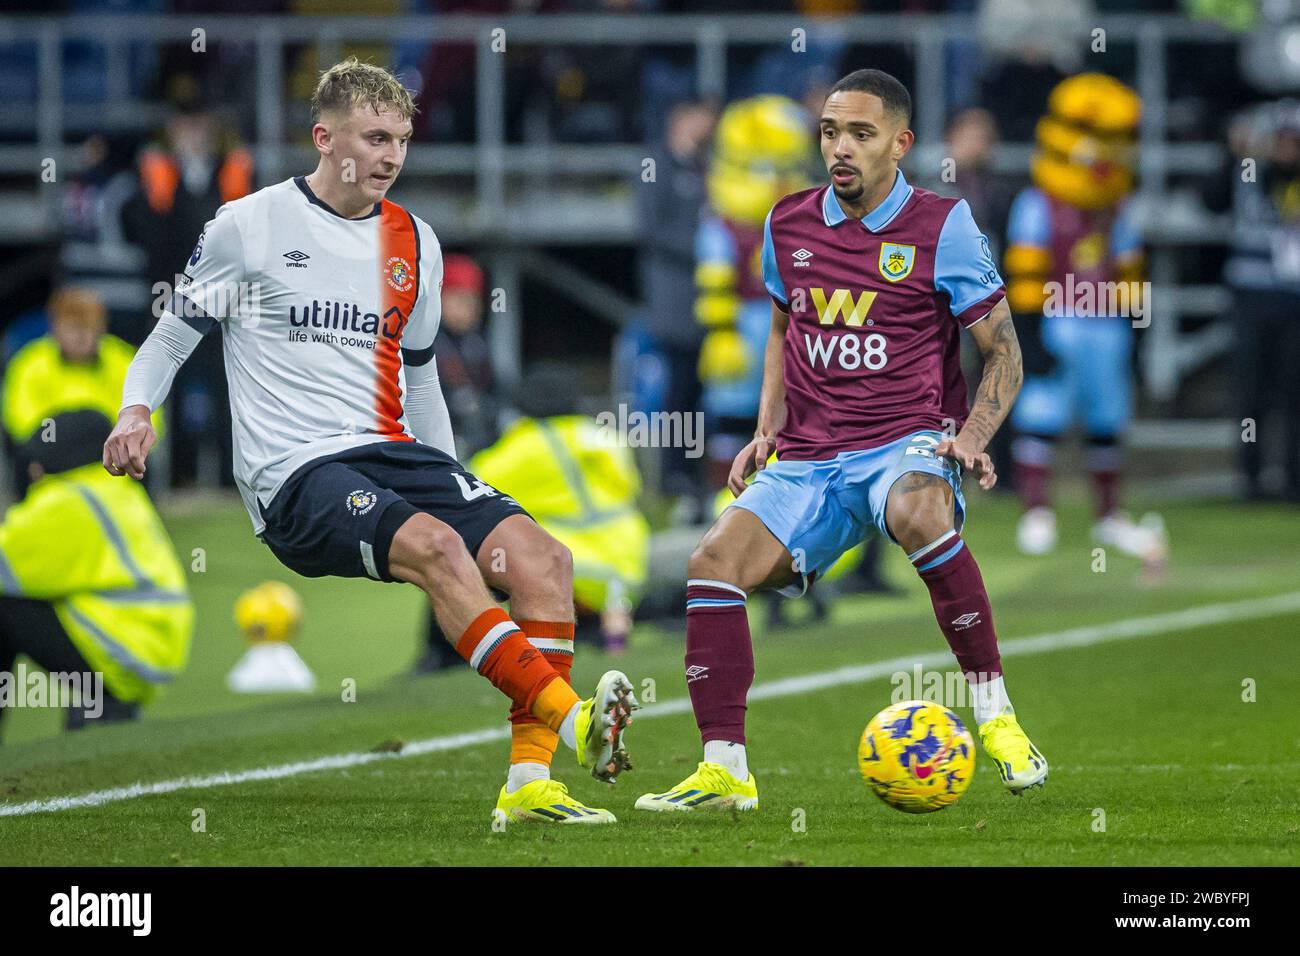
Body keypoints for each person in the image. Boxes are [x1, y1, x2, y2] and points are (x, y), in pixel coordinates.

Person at [104, 58, 638, 825]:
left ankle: (530, 787)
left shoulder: (414, 241)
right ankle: (576, 717)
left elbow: (420, 379)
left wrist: (455, 477)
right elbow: (171, 336)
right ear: (324, 137)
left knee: (543, 561)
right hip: (294, 473)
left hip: (394, 452)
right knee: (437, 550)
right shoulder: (247, 225)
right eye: (375, 137)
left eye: (402, 141)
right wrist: (135, 412)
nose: (390, 157)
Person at [635, 69, 1046, 813]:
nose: (840, 148)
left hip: (907, 442)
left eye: (860, 132)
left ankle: (998, 719)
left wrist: (973, 436)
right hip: (812, 454)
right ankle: (725, 770)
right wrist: (767, 428)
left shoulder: (942, 226)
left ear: (900, 142)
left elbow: (1005, 351)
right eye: (829, 132)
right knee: (713, 562)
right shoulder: (786, 223)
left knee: (921, 515)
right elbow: (785, 328)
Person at [1003, 74, 1167, 565]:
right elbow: (1023, 273)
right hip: (1057, 317)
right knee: (1041, 416)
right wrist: (1029, 338)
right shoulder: (1036, 204)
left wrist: (1138, 335)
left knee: (1106, 420)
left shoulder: (1118, 210)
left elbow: (1133, 275)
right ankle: (1035, 510)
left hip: (1106, 323)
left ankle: (1109, 515)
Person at [0, 410, 193, 738]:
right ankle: (102, 708)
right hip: (154, 643)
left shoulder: (66, 500)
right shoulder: (116, 491)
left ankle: (104, 704)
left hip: (124, 648)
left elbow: (7, 565)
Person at [3, 286, 162, 499]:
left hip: (109, 452)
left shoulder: (124, 361)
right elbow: (21, 417)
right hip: (51, 451)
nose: (80, 336)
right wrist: (57, 446)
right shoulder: (30, 363)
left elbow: (146, 412)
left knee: (140, 459)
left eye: (87, 328)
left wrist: (123, 444)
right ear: (54, 327)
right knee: (25, 458)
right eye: (72, 328)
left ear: (102, 328)